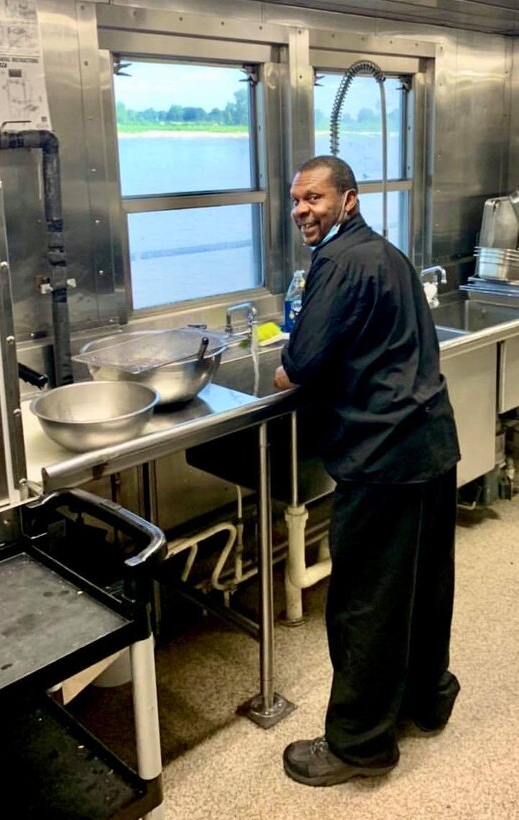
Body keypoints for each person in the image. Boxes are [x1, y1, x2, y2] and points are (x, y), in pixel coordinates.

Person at [274, 155, 461, 788]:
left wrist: (286, 368)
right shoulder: (383, 253)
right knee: (422, 587)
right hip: (429, 444)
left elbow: (302, 362)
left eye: (315, 198)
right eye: (297, 199)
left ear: (348, 201)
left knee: (365, 603)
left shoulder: (339, 262)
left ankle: (359, 744)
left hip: (382, 457)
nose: (303, 209)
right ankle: (424, 700)